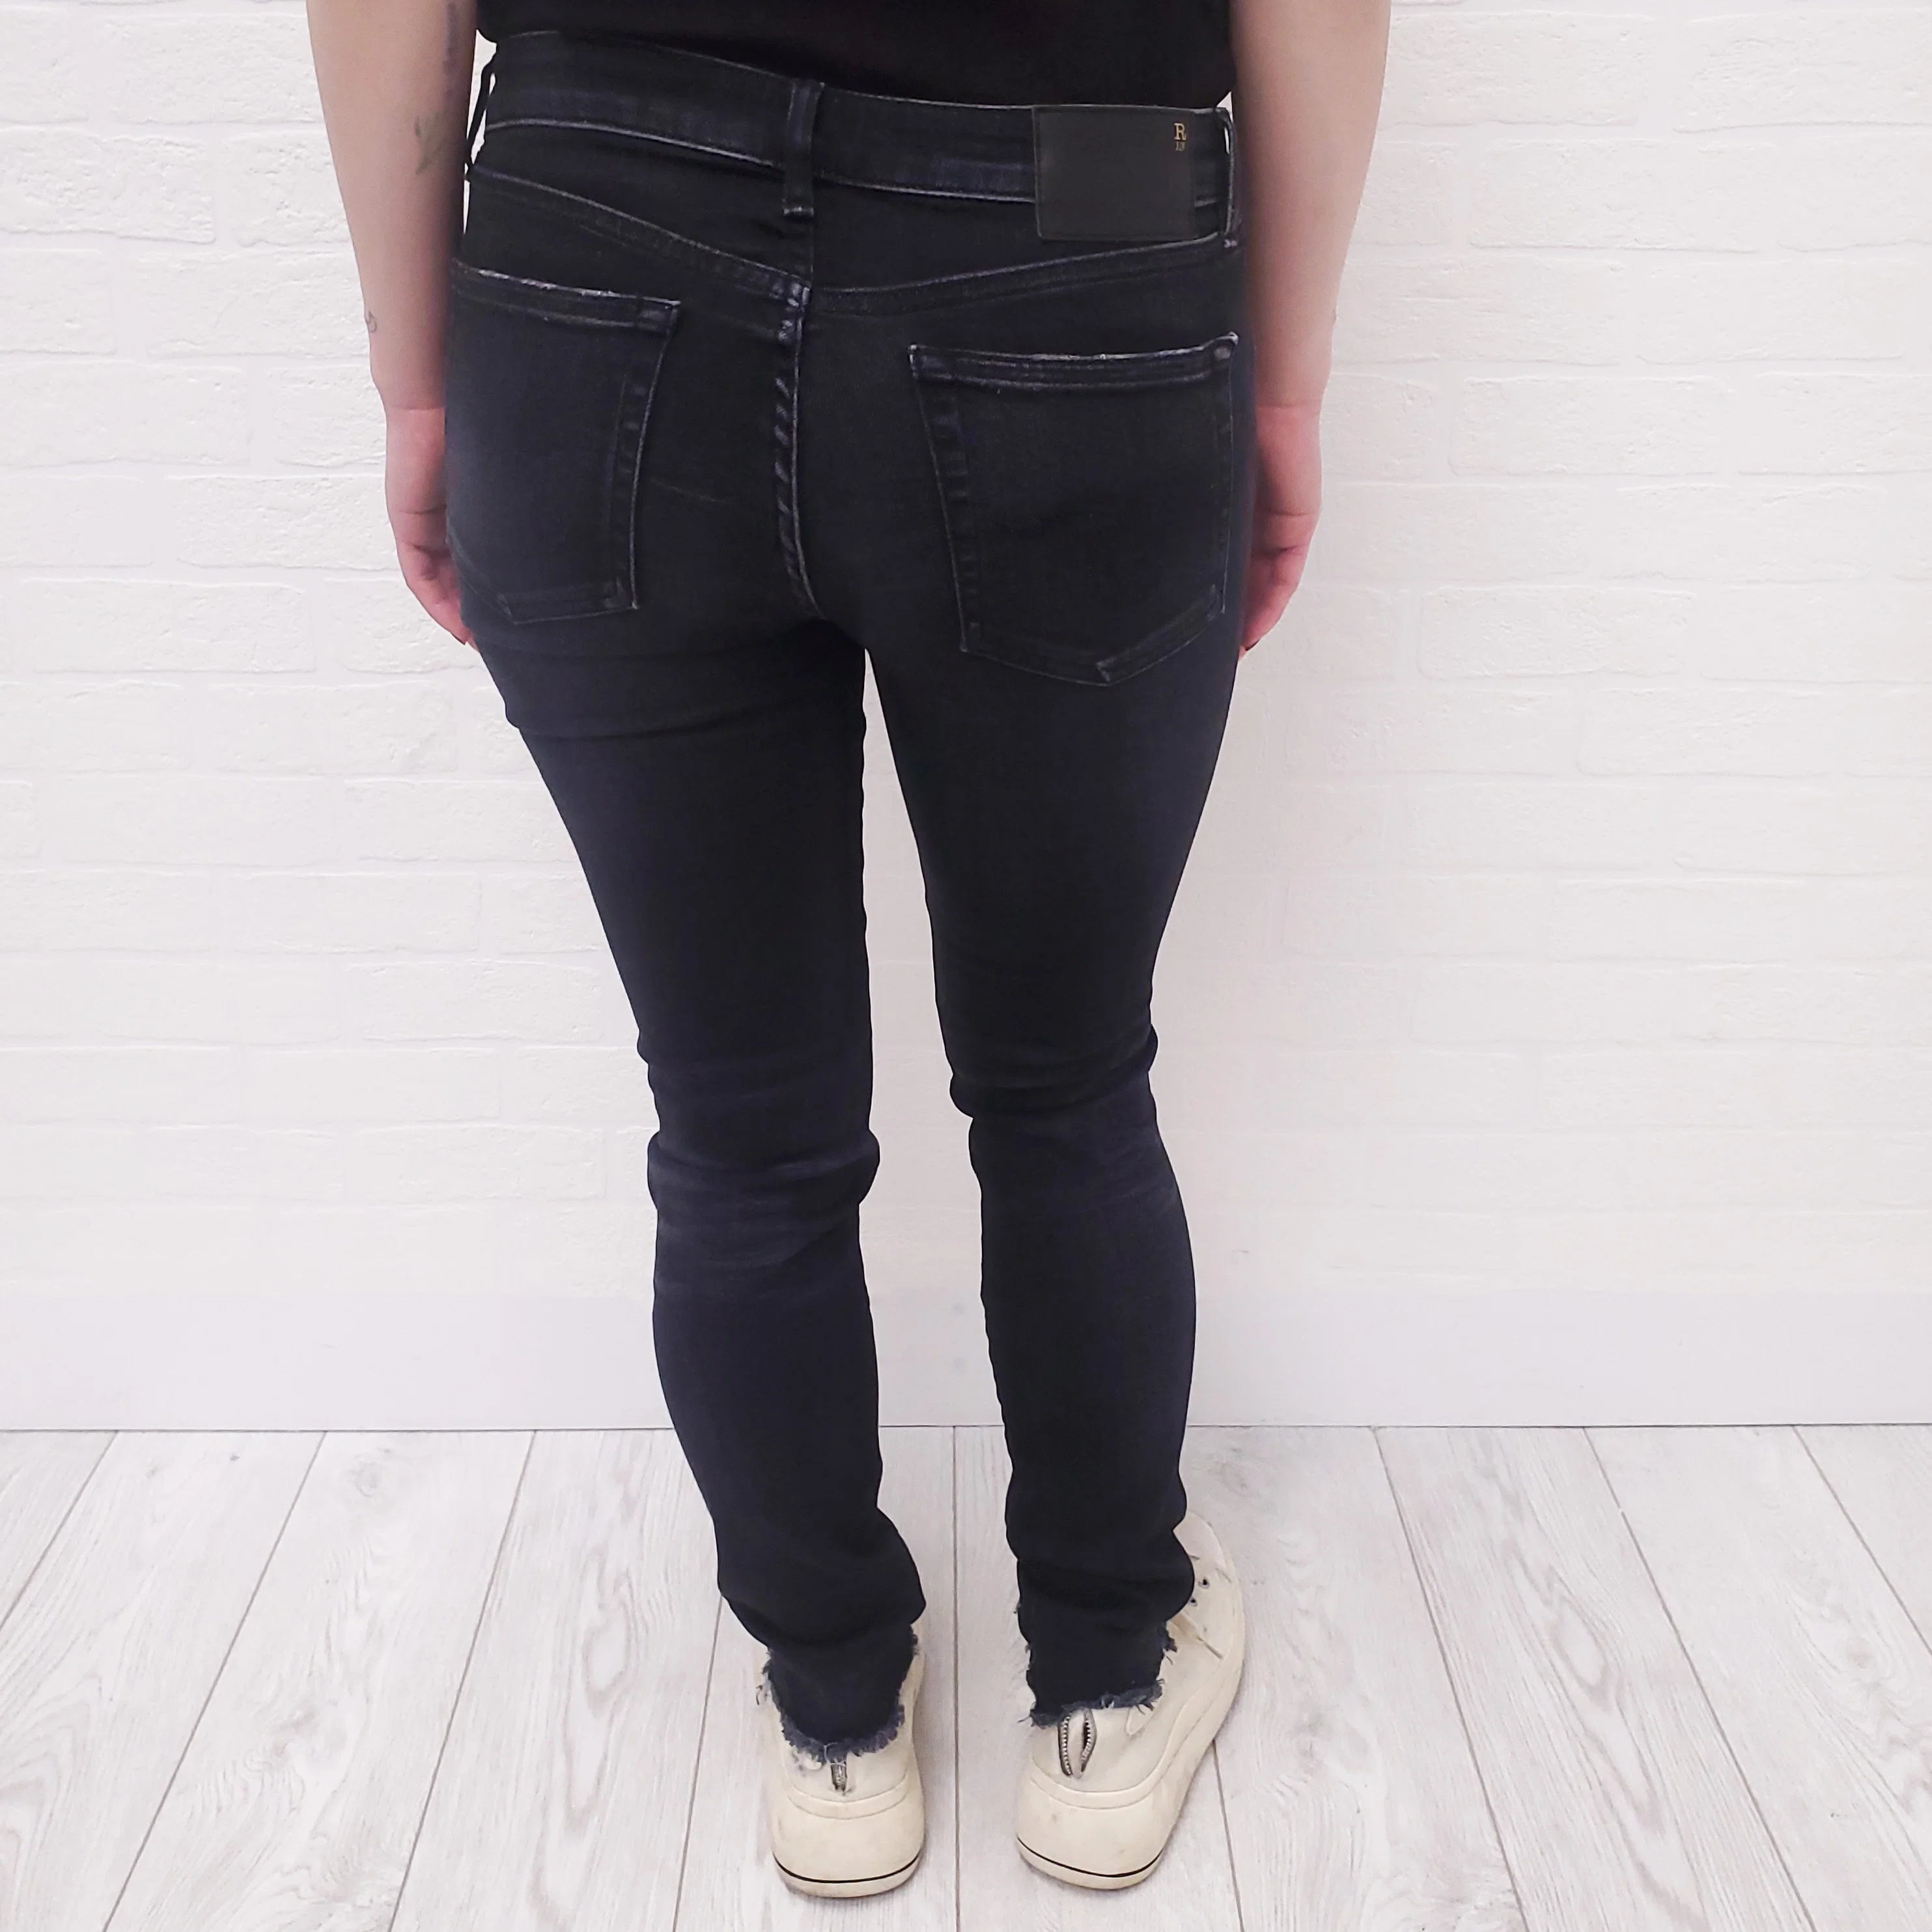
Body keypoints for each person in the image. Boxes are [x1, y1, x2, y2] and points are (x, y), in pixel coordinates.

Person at [307, 0, 1388, 1897]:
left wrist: (419, 374)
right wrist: (1281, 384)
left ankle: (836, 1719)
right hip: (1080, 227)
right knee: (1065, 1082)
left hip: (594, 222)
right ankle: (1108, 1681)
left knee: (740, 1132)